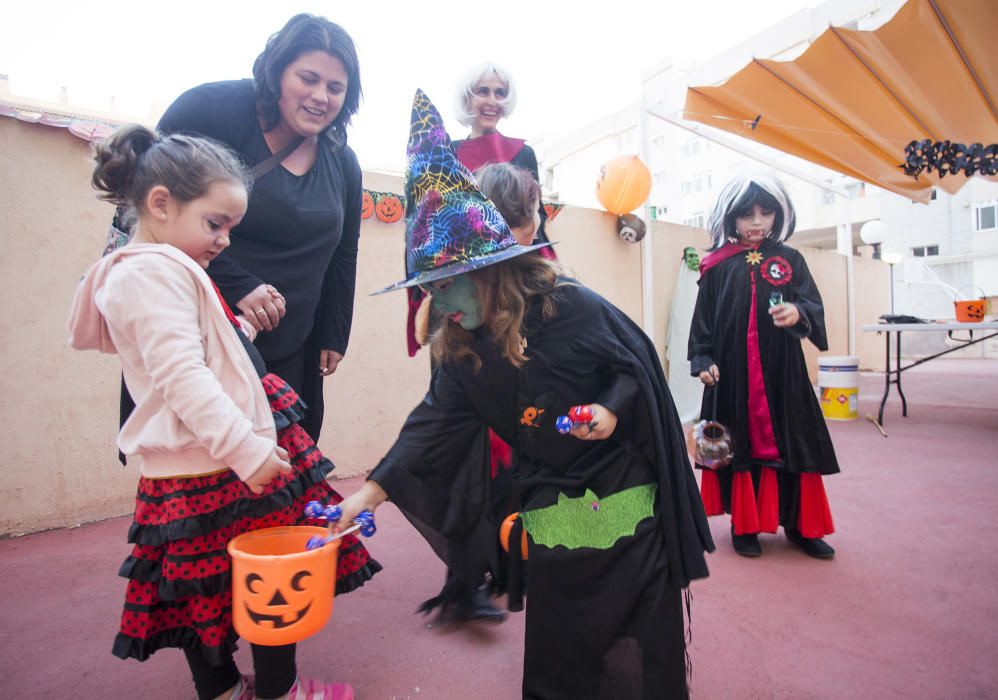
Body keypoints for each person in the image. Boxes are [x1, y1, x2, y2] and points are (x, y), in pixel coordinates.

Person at [338, 90, 713, 698]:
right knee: (561, 653)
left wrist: (611, 411)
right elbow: (431, 426)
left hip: (624, 507)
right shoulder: (459, 347)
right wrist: (369, 495)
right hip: (553, 513)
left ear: (493, 269)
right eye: (430, 287)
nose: (442, 303)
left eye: (452, 285)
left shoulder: (571, 307)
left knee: (636, 654)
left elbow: (634, 367)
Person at [69, 125, 379, 700]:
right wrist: (248, 450)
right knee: (267, 574)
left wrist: (231, 329)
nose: (225, 241)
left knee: (204, 585)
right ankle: (274, 691)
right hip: (219, 464)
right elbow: (181, 376)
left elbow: (184, 353)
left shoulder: (163, 267)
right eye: (215, 224)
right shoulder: (149, 273)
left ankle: (228, 690)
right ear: (160, 204)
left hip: (210, 464)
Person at [153, 13, 364, 442]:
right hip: (202, 344)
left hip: (292, 348)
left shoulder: (343, 160)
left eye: (335, 87)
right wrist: (237, 284)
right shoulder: (210, 113)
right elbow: (152, 216)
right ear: (277, 71)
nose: (320, 96)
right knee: (204, 478)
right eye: (308, 78)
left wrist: (334, 331)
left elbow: (344, 251)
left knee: (282, 476)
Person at [688, 172, 839, 559]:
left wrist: (799, 312)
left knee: (795, 441)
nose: (757, 221)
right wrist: (703, 359)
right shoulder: (717, 266)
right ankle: (745, 524)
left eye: (765, 212)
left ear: (779, 215)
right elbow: (702, 322)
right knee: (739, 443)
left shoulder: (790, 259)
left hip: (782, 374)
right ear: (730, 217)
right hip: (734, 375)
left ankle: (803, 527)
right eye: (747, 214)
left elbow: (812, 305)